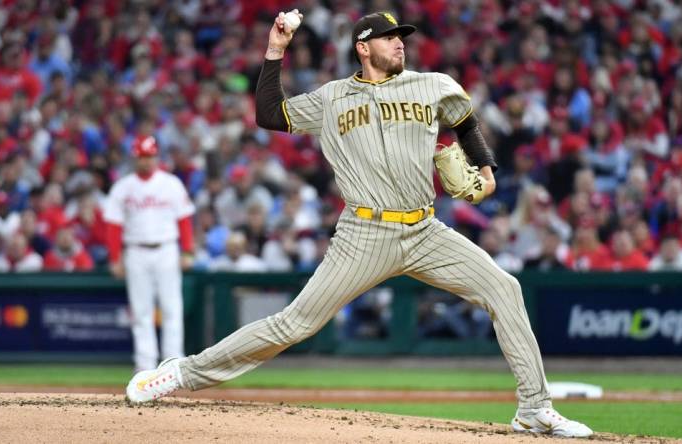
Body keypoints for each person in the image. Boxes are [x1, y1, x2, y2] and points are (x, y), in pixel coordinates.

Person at [125, 11, 592, 438]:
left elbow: (464, 122)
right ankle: (181, 373)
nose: (400, 44)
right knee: (294, 324)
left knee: (504, 288)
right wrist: (275, 51)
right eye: (389, 39)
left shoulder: (432, 84)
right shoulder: (332, 98)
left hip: (426, 231)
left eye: (402, 38)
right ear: (363, 48)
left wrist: (486, 171)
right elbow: (270, 115)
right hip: (363, 234)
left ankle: (534, 407)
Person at [104, 135, 195, 372]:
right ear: (135, 158)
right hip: (136, 251)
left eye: (149, 156)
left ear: (156, 157)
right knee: (141, 310)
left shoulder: (171, 183)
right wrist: (115, 258)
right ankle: (144, 364)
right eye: (142, 157)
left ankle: (173, 363)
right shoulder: (123, 187)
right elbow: (114, 226)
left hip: (166, 248)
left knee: (171, 307)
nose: (146, 161)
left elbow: (184, 219)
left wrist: (187, 251)